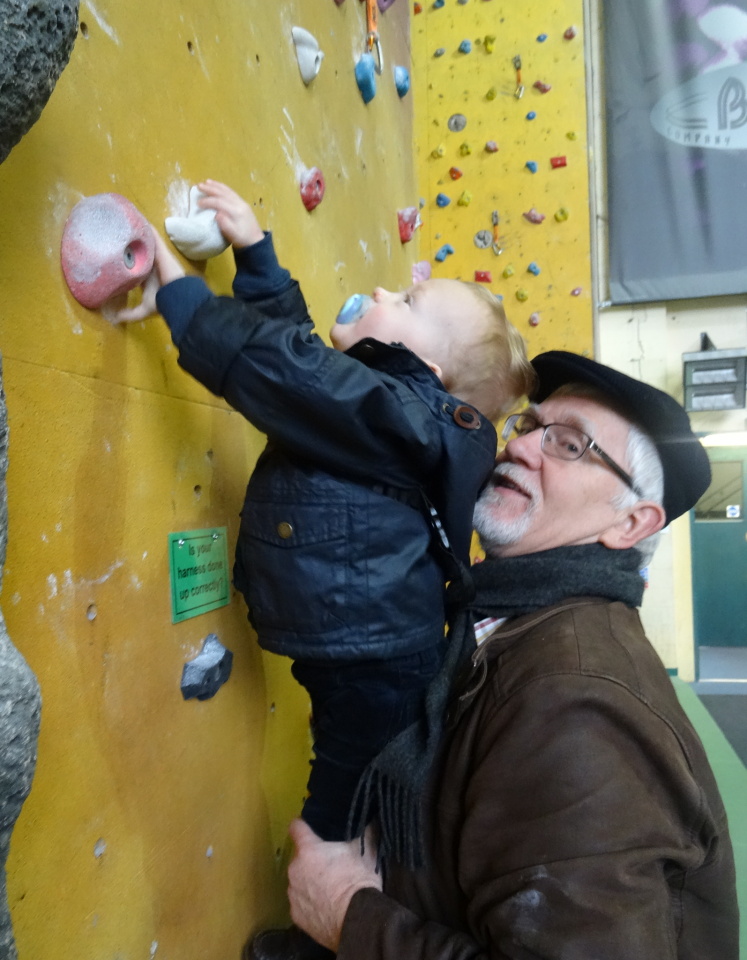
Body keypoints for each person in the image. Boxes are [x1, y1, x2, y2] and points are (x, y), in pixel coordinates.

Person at [149, 179, 534, 936]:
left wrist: (178, 294)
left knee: (350, 802)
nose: (390, 289)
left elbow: (297, 377)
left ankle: (328, 929)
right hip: (369, 642)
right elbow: (310, 377)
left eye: (413, 306)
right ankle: (343, 913)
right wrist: (255, 257)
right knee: (359, 790)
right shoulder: (392, 409)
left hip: (380, 652)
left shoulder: (410, 418)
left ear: (437, 375)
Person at [285, 350, 739, 960]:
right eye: (529, 426)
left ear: (631, 524)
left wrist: (347, 917)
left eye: (572, 445)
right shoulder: (506, 616)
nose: (521, 448)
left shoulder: (576, 702)